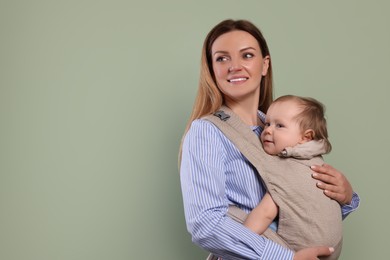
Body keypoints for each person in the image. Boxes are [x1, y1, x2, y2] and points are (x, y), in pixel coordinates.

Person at [179, 19, 360, 259]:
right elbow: (205, 223)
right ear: (212, 70)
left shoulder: (283, 130)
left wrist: (345, 197)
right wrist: (285, 258)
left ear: (264, 65)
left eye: (246, 55)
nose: (234, 66)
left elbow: (298, 213)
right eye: (222, 58)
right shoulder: (208, 132)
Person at [243, 95, 343, 259]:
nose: (267, 130)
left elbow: (265, 213)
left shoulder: (286, 169)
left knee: (236, 220)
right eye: (267, 123)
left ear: (306, 137)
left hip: (299, 251)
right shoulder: (317, 162)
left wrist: (236, 244)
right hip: (330, 251)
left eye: (280, 125)